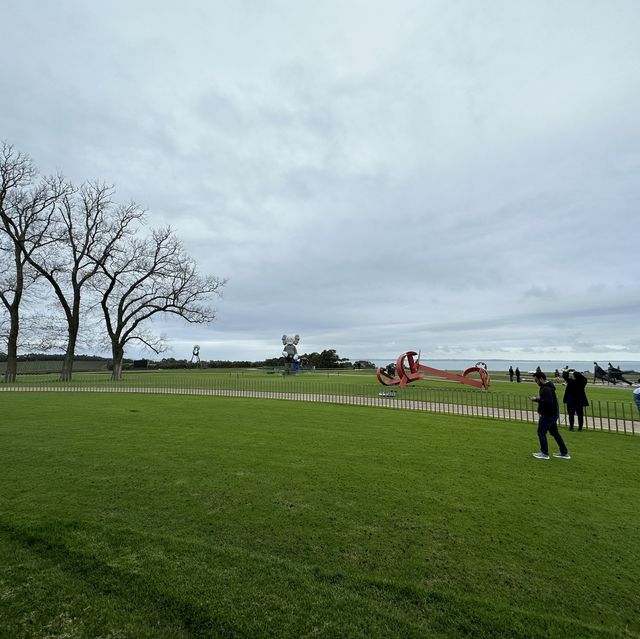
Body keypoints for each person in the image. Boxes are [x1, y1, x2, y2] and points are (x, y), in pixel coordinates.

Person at [530, 371, 570, 460]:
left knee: (541, 433)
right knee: (555, 433)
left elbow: (548, 403)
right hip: (552, 414)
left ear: (541, 379)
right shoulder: (548, 387)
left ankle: (544, 453)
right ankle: (564, 452)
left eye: (536, 380)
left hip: (548, 415)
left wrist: (537, 400)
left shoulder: (546, 389)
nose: (536, 383)